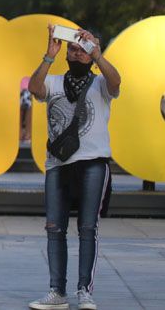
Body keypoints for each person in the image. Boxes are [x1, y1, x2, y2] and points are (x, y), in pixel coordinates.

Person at [27, 26, 121, 310]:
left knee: (87, 227)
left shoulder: (100, 84)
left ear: (91, 54)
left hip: (93, 164)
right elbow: (34, 89)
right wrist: (49, 56)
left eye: (83, 49)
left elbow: (116, 81)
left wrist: (98, 54)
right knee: (54, 228)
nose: (77, 53)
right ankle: (57, 292)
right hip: (58, 166)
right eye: (73, 49)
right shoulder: (54, 82)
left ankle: (84, 292)